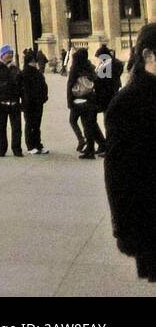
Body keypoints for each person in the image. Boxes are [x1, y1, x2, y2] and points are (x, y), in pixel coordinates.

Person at [103, 23, 156, 282]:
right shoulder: (127, 103)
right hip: (151, 218)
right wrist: (125, 230)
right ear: (148, 56)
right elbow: (117, 176)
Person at [66, 47, 106, 159]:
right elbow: (96, 81)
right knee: (91, 124)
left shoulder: (75, 68)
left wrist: (69, 102)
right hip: (91, 99)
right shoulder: (90, 67)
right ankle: (100, 145)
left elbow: (70, 85)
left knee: (84, 125)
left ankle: (89, 148)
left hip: (79, 100)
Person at [0, 45, 23, 158]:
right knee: (1, 128)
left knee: (17, 128)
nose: (10, 55)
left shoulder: (15, 69)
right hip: (1, 103)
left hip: (14, 103)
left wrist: (21, 100)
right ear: (2, 55)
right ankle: (1, 149)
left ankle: (17, 149)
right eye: (8, 53)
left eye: (11, 53)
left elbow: (20, 86)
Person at [21, 51, 50, 154]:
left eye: (34, 62)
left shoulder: (37, 73)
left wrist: (44, 97)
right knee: (29, 124)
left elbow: (44, 86)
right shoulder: (24, 74)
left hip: (38, 102)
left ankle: (38, 144)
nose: (34, 64)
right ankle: (30, 146)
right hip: (28, 103)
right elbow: (22, 90)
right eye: (32, 62)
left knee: (37, 125)